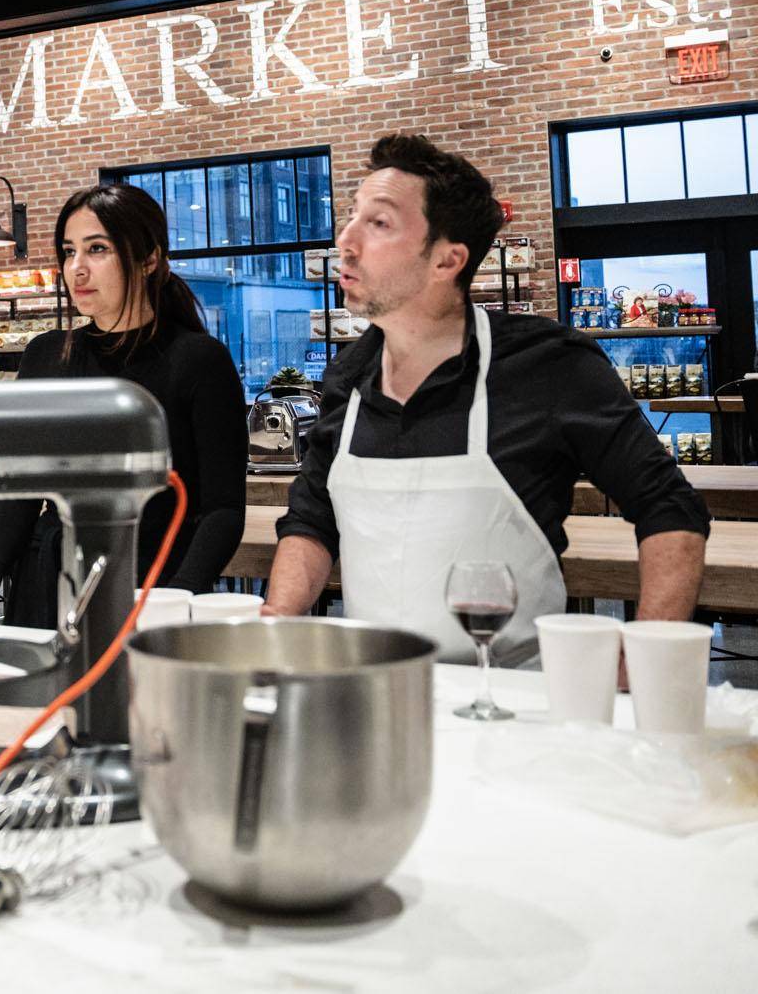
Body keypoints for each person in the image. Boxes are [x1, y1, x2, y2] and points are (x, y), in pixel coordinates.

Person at [264, 134, 708, 664]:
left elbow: (668, 507)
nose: (347, 240)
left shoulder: (548, 364)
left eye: (378, 223)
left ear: (447, 261)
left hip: (518, 694)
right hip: (378, 689)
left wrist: (647, 654)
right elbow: (311, 522)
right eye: (352, 216)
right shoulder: (347, 377)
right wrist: (276, 622)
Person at [0, 184, 246, 628]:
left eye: (97, 249)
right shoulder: (47, 355)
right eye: (69, 251)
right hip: (48, 584)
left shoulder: (198, 360)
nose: (77, 268)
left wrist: (175, 599)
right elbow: (21, 489)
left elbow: (222, 510)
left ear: (149, 259)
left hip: (151, 584)